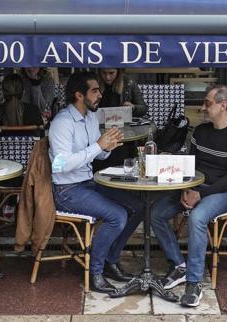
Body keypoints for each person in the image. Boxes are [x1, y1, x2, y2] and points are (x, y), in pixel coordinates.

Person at [151, 84, 227, 308]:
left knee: (197, 217)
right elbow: (190, 166)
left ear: (222, 105)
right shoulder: (200, 131)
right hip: (196, 188)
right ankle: (180, 265)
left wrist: (199, 193)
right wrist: (186, 189)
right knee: (155, 213)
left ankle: (194, 282)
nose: (203, 107)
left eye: (207, 103)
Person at [47, 71, 143, 294]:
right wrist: (98, 146)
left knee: (138, 207)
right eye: (95, 90)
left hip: (88, 182)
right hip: (67, 190)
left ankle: (110, 259)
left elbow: (96, 154)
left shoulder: (91, 117)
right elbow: (61, 165)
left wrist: (107, 148)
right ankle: (95, 272)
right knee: (117, 215)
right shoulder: (62, 123)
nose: (100, 94)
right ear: (79, 95)